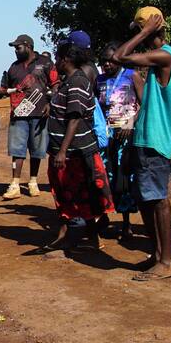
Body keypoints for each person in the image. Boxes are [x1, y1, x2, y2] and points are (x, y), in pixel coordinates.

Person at [113, 7, 171, 282]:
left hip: (155, 140)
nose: (137, 36)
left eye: (139, 30)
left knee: (158, 201)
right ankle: (157, 255)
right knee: (146, 199)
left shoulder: (165, 55)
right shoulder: (158, 60)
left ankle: (166, 261)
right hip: (145, 138)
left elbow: (119, 56)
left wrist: (144, 32)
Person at [43, 40, 114, 253]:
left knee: (80, 197)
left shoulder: (77, 82)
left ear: (66, 60)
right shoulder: (70, 81)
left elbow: (74, 117)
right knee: (79, 197)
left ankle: (78, 240)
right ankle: (81, 238)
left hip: (75, 152)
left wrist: (63, 151)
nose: (55, 62)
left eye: (57, 58)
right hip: (69, 150)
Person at [1, 34, 55, 199]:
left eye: (18, 47)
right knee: (17, 150)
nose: (16, 51)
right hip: (18, 115)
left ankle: (33, 181)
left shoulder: (45, 63)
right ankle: (15, 184)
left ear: (28, 46)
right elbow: (5, 87)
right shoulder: (13, 67)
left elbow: (56, 84)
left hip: (40, 114)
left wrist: (50, 103)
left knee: (37, 150)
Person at [98, 43, 140, 239]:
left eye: (110, 60)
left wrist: (130, 123)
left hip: (126, 134)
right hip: (106, 136)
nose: (107, 64)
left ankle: (126, 224)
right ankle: (105, 218)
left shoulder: (132, 75)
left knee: (125, 177)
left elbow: (144, 104)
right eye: (103, 61)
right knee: (107, 176)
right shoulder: (99, 80)